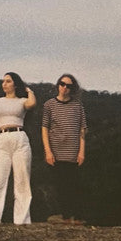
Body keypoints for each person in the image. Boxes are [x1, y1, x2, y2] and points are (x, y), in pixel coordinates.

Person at [0, 72, 36, 225]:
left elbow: (32, 103)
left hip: (20, 138)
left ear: (15, 84)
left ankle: (22, 220)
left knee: (22, 181)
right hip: (2, 139)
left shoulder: (22, 101)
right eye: (3, 81)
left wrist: (28, 90)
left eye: (8, 81)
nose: (4, 84)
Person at [42, 73, 87, 224]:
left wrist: (81, 152)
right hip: (56, 151)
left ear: (72, 88)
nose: (65, 87)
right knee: (60, 186)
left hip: (73, 151)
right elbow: (44, 128)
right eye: (62, 84)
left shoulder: (78, 106)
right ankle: (66, 216)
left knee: (75, 185)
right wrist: (48, 151)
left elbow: (82, 129)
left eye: (68, 85)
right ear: (58, 85)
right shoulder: (49, 105)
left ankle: (79, 217)